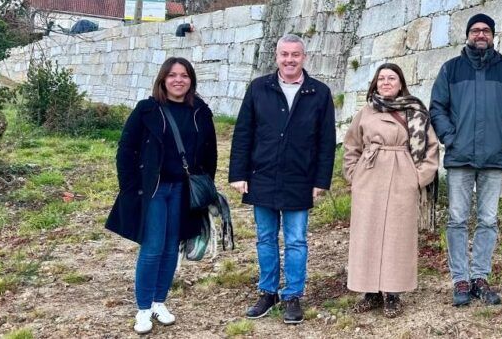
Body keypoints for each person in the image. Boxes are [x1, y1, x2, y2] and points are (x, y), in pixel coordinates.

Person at [228, 33, 336, 325]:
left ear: (304, 57)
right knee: (265, 238)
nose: (289, 60)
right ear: (276, 56)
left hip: (299, 177)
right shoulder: (258, 88)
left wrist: (321, 180)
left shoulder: (319, 93)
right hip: (261, 174)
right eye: (284, 54)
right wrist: (238, 173)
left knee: (297, 240)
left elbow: (327, 141)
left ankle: (292, 295)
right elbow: (243, 133)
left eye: (295, 55)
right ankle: (268, 291)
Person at [105, 57, 217, 334]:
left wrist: (205, 187)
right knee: (153, 247)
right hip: (154, 190)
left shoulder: (200, 110)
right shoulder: (147, 110)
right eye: (173, 75)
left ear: (191, 80)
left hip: (182, 190)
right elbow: (126, 150)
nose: (179, 80)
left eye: (184, 75)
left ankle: (159, 301)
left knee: (171, 248)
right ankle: (143, 309)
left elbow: (210, 151)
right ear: (163, 79)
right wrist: (132, 188)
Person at [430, 13, 502, 307]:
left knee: (488, 220)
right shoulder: (451, 70)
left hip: (493, 158)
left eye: (486, 30)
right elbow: (437, 107)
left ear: (493, 35)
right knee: (457, 219)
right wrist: (450, 137)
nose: (481, 34)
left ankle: (480, 277)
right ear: (468, 35)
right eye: (475, 30)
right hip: (460, 157)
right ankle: (460, 278)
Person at [343, 63, 440, 318]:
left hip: (402, 176)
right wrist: (354, 175)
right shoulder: (366, 112)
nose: (386, 82)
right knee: (367, 234)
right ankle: (369, 291)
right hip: (369, 177)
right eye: (382, 78)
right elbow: (351, 145)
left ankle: (393, 293)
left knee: (398, 236)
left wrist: (417, 179)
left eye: (392, 78)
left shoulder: (415, 111)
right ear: (375, 83)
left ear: (400, 83)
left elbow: (431, 148)